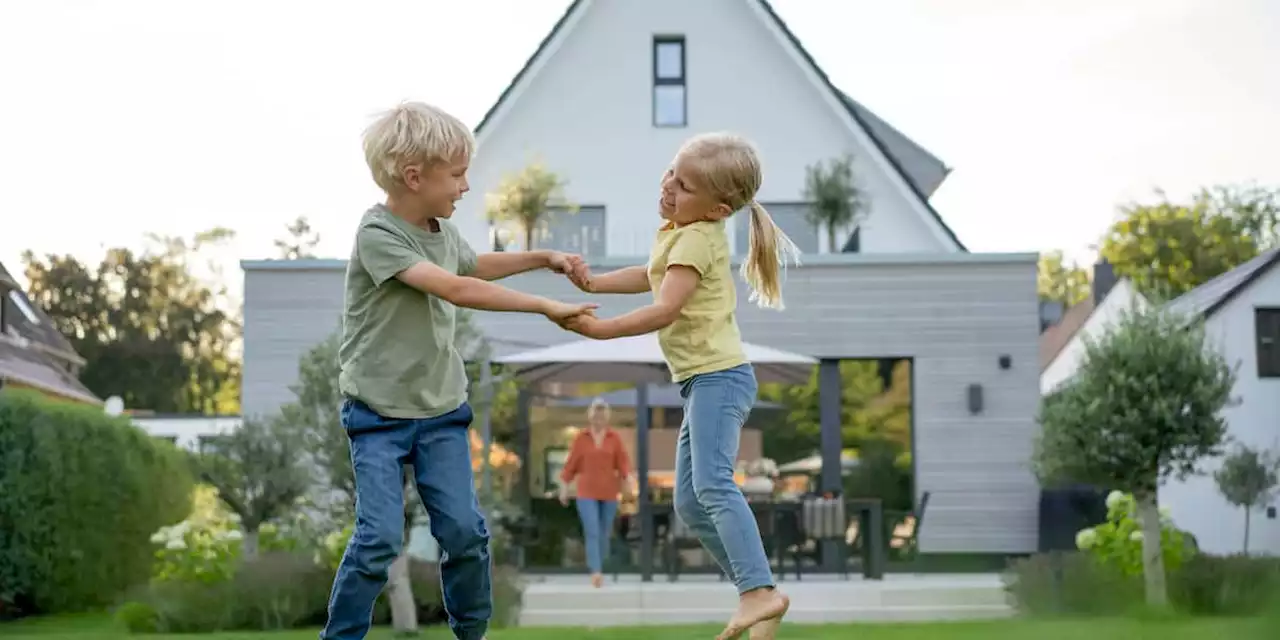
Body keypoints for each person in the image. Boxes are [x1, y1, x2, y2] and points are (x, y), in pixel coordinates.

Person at [320, 101, 595, 640]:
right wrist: (544, 307)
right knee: (377, 538)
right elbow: (455, 287)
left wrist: (544, 258)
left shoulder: (441, 232)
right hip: (377, 414)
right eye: (458, 173)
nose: (466, 186)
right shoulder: (378, 235)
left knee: (466, 533)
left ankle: (472, 633)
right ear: (414, 175)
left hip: (441, 412)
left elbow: (470, 265)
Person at [564, 132, 797, 640]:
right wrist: (596, 283)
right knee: (689, 503)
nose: (670, 185)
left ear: (717, 209)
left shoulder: (695, 237)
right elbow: (653, 277)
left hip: (719, 377)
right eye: (672, 171)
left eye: (685, 185)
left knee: (711, 484)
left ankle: (757, 590)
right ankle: (759, 596)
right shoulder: (679, 231)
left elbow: (665, 307)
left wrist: (602, 330)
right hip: (702, 382)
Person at [558, 397, 634, 588]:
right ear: (590, 416)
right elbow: (571, 465)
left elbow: (623, 463)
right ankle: (596, 571)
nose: (599, 418)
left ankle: (600, 563)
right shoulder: (581, 438)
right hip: (586, 492)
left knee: (603, 532)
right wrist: (564, 488)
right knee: (592, 530)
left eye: (602, 414)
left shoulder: (614, 438)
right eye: (596, 414)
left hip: (609, 492)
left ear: (606, 417)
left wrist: (628, 480)